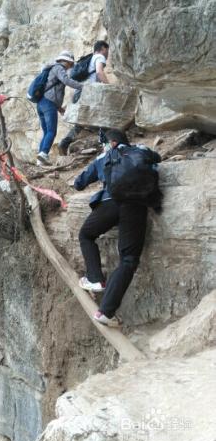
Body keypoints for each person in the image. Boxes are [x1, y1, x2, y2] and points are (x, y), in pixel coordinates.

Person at [74, 129, 162, 326]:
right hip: (135, 205)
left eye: (105, 143)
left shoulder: (104, 156)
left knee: (86, 235)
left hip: (110, 203)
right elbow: (157, 158)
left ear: (112, 143)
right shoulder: (140, 150)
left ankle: (95, 278)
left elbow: (79, 182)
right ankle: (105, 312)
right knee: (128, 260)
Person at [58, 40, 110, 156]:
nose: (108, 53)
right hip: (90, 91)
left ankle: (64, 142)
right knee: (102, 114)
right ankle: (105, 144)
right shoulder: (99, 57)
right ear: (102, 48)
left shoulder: (89, 59)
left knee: (81, 120)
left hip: (79, 92)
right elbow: (99, 72)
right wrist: (109, 87)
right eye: (107, 50)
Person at [37, 51, 83, 166]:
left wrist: (59, 108)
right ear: (66, 61)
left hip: (41, 103)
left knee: (46, 132)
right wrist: (82, 86)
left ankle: (40, 160)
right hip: (48, 104)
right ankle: (43, 154)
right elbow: (66, 80)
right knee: (52, 131)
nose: (69, 67)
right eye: (70, 64)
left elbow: (51, 91)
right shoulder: (59, 67)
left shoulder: (51, 69)